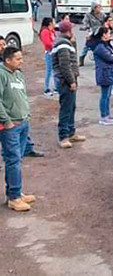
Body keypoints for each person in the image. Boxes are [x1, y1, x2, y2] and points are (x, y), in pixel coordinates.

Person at [0, 47, 36, 211]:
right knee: (12, 160)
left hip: (23, 123)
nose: (21, 61)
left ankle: (15, 192)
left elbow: (22, 96)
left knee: (17, 159)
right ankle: (14, 198)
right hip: (10, 126)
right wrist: (6, 121)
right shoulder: (2, 74)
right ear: (7, 60)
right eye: (18, 59)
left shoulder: (19, 74)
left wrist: (26, 115)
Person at [52, 20, 86, 149]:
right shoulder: (63, 44)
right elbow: (65, 65)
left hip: (68, 80)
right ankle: (63, 137)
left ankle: (71, 132)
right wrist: (71, 81)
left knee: (71, 107)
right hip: (65, 81)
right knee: (66, 109)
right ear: (68, 31)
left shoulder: (65, 42)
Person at [93, 27, 113, 125]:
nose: (110, 35)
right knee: (104, 95)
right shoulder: (100, 47)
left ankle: (107, 114)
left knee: (108, 95)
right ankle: (103, 116)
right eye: (108, 33)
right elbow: (111, 58)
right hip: (104, 73)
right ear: (103, 35)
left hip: (109, 72)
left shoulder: (106, 45)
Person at [79, 2, 105, 66]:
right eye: (98, 7)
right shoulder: (88, 15)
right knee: (87, 46)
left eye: (100, 6)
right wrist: (86, 26)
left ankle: (98, 59)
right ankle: (81, 58)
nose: (100, 8)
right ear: (94, 8)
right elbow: (85, 21)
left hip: (100, 32)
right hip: (92, 32)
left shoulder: (102, 15)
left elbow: (106, 21)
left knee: (100, 45)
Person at [39, 17, 57, 96]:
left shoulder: (51, 30)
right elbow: (47, 43)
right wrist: (54, 45)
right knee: (49, 71)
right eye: (53, 21)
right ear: (50, 23)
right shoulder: (45, 31)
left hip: (53, 52)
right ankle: (47, 89)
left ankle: (56, 87)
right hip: (49, 53)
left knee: (54, 70)